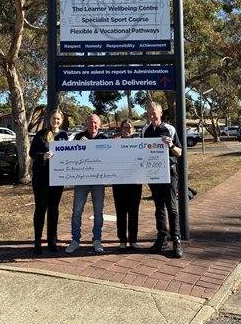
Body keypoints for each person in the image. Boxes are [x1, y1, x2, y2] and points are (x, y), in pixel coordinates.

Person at [142, 102, 183, 258]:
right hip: (153, 174)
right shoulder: (145, 130)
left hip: (169, 174)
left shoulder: (170, 129)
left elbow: (179, 152)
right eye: (149, 113)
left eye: (154, 113)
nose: (152, 116)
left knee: (172, 207)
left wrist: (171, 144)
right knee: (159, 207)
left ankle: (176, 239)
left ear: (160, 113)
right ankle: (162, 237)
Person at [65, 114, 107, 254]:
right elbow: (70, 154)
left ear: (99, 124)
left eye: (95, 123)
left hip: (98, 181)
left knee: (98, 212)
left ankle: (97, 240)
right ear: (86, 124)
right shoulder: (78, 137)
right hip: (81, 180)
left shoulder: (104, 138)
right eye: (90, 123)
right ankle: (75, 240)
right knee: (77, 211)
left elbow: (107, 157)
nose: (92, 125)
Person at [29, 109, 68, 255]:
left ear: (61, 120)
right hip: (41, 177)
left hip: (57, 178)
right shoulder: (41, 134)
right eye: (53, 118)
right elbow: (32, 153)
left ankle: (52, 241)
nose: (56, 121)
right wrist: (43, 156)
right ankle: (37, 242)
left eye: (58, 119)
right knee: (40, 209)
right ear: (49, 119)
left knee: (54, 210)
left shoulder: (64, 135)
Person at [112, 119, 142, 251]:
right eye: (124, 127)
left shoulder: (139, 143)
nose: (127, 130)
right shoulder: (114, 144)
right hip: (119, 183)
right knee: (121, 212)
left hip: (135, 183)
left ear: (133, 130)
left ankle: (133, 240)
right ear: (121, 129)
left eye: (129, 127)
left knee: (134, 212)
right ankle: (122, 240)